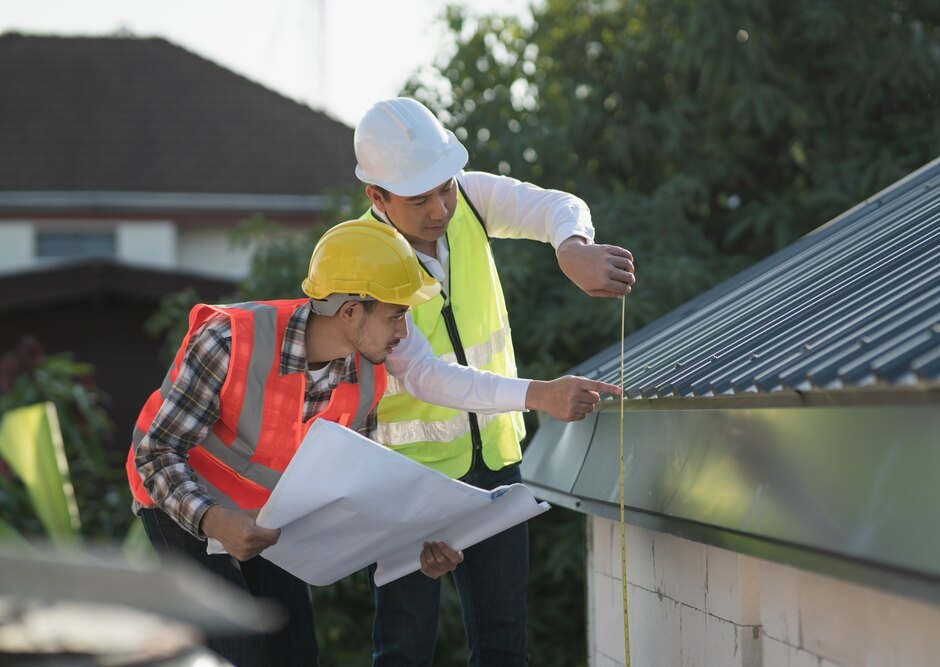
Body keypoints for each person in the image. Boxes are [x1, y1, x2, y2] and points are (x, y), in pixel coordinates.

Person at [124, 220, 619, 667]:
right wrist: (213, 519)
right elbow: (155, 452)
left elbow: (349, 495)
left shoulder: (367, 378)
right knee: (238, 655)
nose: (404, 333)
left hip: (266, 522)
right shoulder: (230, 340)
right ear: (350, 311)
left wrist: (416, 547)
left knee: (294, 655)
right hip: (182, 503)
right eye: (395, 316)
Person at [352, 97, 637, 666]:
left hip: (499, 470)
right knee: (403, 652)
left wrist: (572, 248)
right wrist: (541, 394)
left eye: (446, 187)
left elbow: (559, 205)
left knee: (505, 644)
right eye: (419, 198)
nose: (439, 208)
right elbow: (427, 376)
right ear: (377, 197)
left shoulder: (471, 202)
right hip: (406, 486)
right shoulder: (362, 258)